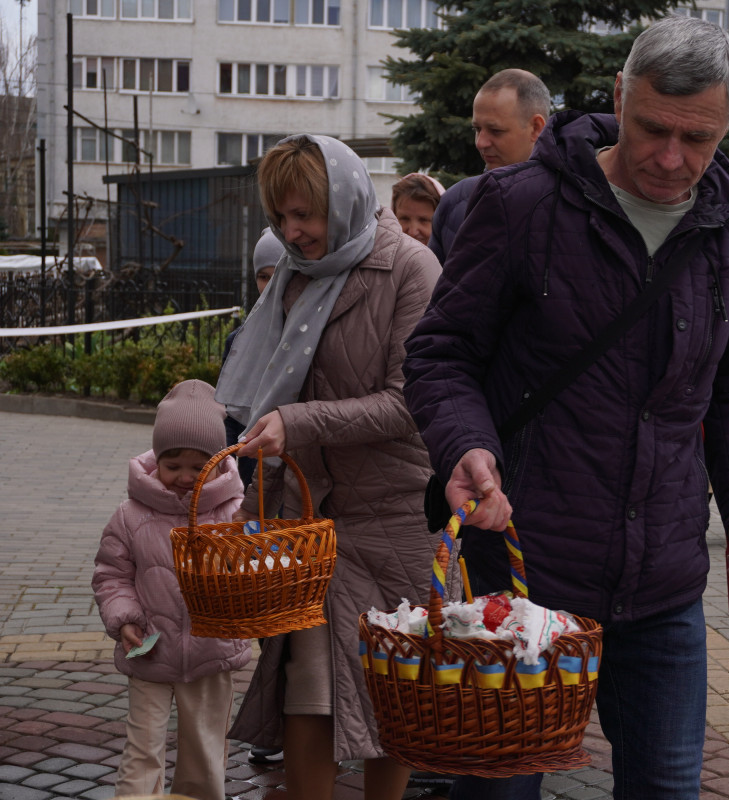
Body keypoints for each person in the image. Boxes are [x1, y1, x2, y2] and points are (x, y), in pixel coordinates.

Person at [402, 16, 729, 800]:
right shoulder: (520, 205)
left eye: (697, 138)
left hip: (663, 581)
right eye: (651, 129)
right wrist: (466, 446)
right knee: (501, 788)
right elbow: (440, 352)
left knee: (669, 787)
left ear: (728, 125)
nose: (670, 159)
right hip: (523, 572)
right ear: (618, 96)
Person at [215, 134, 442, 800]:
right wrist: (256, 513)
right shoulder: (290, 275)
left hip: (393, 516)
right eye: (281, 217)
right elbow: (267, 394)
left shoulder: (411, 269)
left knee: (392, 692)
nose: (293, 232)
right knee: (304, 693)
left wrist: (300, 424)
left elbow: (410, 403)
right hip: (307, 523)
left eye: (305, 216)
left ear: (340, 202)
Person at [92, 379, 251, 800]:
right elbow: (112, 575)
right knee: (142, 746)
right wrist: (124, 618)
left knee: (205, 747)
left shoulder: (234, 513)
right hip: (150, 649)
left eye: (198, 467)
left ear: (218, 465)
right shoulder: (131, 515)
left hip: (211, 650)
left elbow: (252, 568)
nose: (184, 477)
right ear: (156, 460)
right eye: (172, 464)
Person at [427, 68, 550, 262]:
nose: (480, 142)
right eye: (477, 129)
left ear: (536, 128)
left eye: (495, 130)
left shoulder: (573, 206)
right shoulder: (454, 203)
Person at [224, 228, 284, 491]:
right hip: (250, 461)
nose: (270, 285)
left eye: (279, 275)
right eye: (263, 276)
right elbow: (229, 413)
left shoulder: (317, 337)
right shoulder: (238, 341)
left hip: (295, 464)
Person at [390, 172, 445, 248]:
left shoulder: (454, 258)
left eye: (423, 220)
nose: (412, 232)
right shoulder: (379, 257)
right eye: (404, 218)